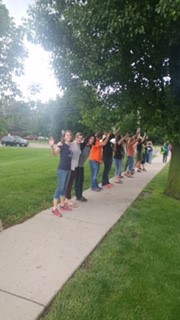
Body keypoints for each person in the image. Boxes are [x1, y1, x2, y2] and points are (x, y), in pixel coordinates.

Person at [49, 130, 73, 217]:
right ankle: (54, 208)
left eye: (70, 135)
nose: (69, 136)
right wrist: (52, 147)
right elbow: (55, 153)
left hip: (68, 170)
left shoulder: (70, 145)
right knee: (60, 188)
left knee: (64, 188)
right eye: (67, 135)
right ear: (64, 136)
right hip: (62, 170)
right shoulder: (61, 144)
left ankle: (62, 204)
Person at [65, 132, 83, 207]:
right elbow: (64, 144)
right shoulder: (72, 144)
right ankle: (67, 199)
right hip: (71, 166)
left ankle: (67, 198)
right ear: (75, 138)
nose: (79, 139)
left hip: (75, 166)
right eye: (78, 138)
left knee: (71, 183)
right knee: (69, 183)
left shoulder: (78, 145)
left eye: (81, 138)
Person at [75, 134, 95, 201]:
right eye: (90, 139)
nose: (92, 140)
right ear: (88, 138)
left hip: (81, 165)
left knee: (80, 181)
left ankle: (79, 195)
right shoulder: (82, 144)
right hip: (77, 166)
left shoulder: (89, 146)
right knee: (78, 181)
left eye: (93, 139)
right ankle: (79, 196)